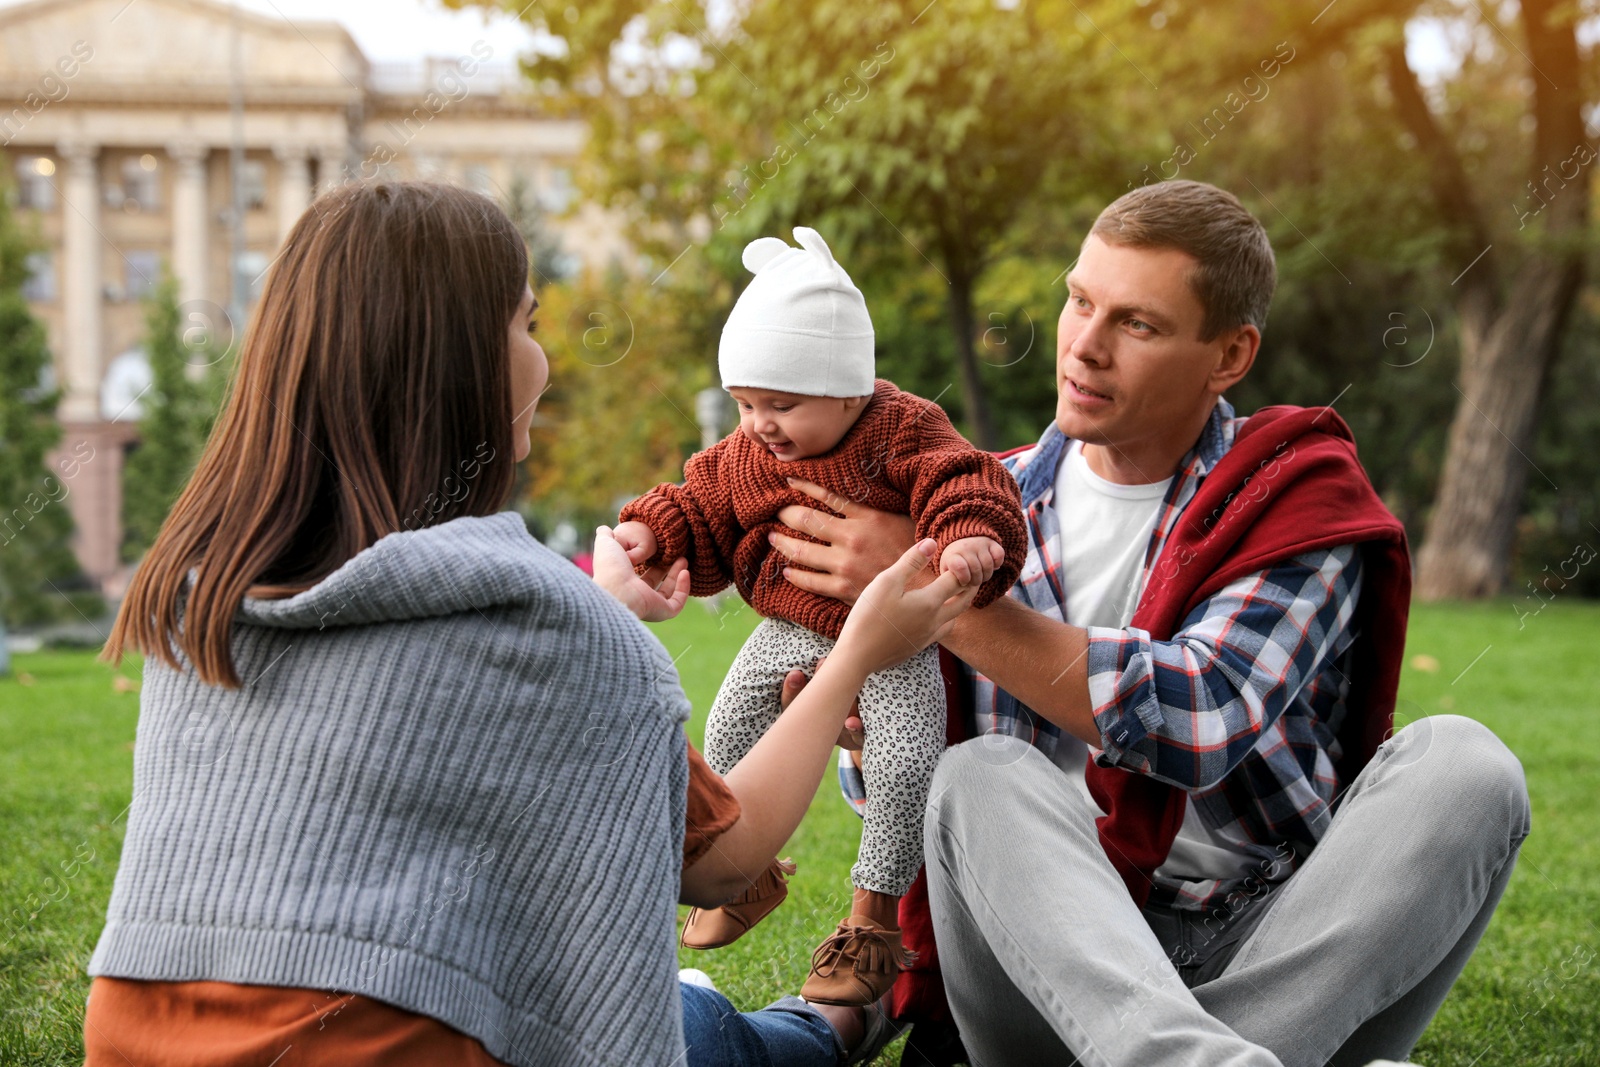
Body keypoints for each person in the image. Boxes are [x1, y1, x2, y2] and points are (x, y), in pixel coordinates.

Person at [84, 180, 969, 1067]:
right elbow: (722, 864)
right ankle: (832, 1027)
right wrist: (861, 648)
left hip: (136, 1049)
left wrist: (605, 614)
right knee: (704, 1037)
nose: (543, 362)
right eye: (529, 325)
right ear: (460, 365)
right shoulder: (543, 625)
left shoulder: (200, 604)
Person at [765, 180, 1532, 1066]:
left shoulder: (1296, 496)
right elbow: (925, 807)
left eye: (1137, 324)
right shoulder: (979, 504)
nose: (1083, 347)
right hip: (1043, 959)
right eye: (1079, 300)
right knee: (982, 777)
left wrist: (938, 602)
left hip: (1267, 948)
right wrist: (869, 730)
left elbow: (1198, 718)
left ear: (1230, 353)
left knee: (1469, 766)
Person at [612, 226, 1026, 1007]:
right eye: (745, 403)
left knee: (905, 762)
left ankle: (873, 920)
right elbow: (697, 503)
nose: (761, 423)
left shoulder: (900, 429)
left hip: (898, 636)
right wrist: (651, 530)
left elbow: (966, 481)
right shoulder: (749, 452)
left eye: (782, 403)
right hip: (790, 626)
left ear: (847, 389)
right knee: (731, 721)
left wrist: (969, 539)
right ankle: (746, 869)